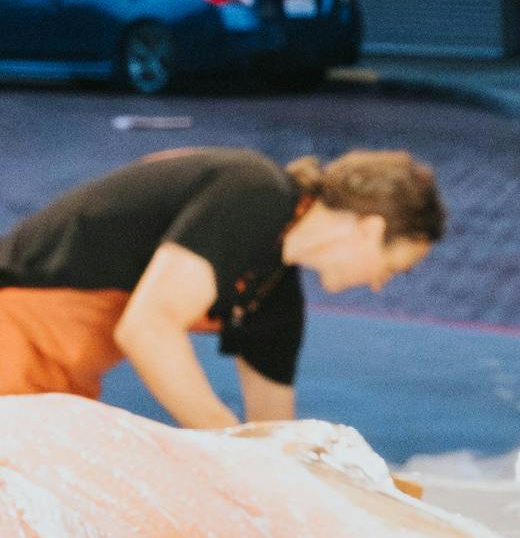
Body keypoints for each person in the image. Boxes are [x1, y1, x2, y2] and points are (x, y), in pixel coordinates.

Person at [0, 147, 442, 427]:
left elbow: (275, 435)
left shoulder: (273, 295)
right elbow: (148, 328)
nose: (380, 285)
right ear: (369, 229)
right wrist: (229, 448)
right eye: (391, 267)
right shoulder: (254, 192)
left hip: (58, 381)